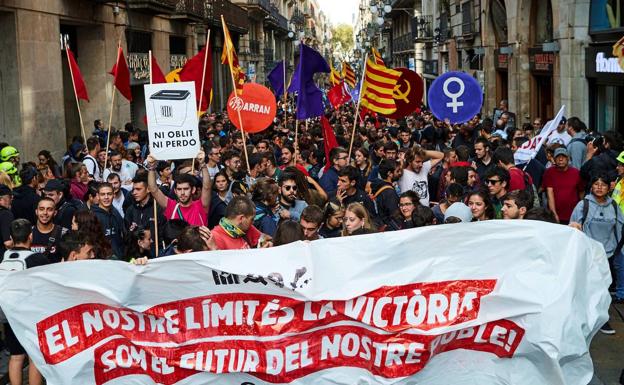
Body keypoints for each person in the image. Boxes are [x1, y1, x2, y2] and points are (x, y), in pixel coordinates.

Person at [570, 174, 624, 335]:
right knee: (586, 286)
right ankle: (583, 317)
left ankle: (602, 319)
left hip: (607, 254)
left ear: (609, 187)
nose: (599, 187)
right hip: (587, 253)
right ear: (591, 187)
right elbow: (573, 226)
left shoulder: (614, 206)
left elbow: (620, 228)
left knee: (603, 287)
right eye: (596, 184)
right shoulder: (583, 205)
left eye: (603, 184)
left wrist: (618, 251)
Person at [1, 219, 48, 385]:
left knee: (16, 356)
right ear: (30, 236)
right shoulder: (37, 259)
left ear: (12, 238)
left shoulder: (3, 257)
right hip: (31, 316)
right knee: (35, 357)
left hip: (9, 315)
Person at [147, 155, 212, 227]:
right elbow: (153, 189)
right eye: (179, 189)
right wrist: (151, 167)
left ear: (193, 190)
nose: (182, 193)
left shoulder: (200, 206)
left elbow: (207, 187)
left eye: (186, 189)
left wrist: (202, 164)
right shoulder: (171, 206)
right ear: (175, 191)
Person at [542, 147, 584, 224]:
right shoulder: (549, 172)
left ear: (568, 159)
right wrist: (554, 214)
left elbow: (581, 193)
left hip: (573, 214)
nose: (561, 159)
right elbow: (549, 194)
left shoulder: (576, 173)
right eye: (558, 157)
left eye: (563, 157)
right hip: (556, 214)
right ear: (554, 159)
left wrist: (581, 211)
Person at [125, 172, 164, 251]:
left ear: (148, 189)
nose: (134, 193)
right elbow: (126, 233)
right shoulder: (131, 210)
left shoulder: (158, 209)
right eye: (133, 189)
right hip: (135, 254)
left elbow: (162, 234)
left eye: (138, 189)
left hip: (154, 253)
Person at [90, 182, 125, 259]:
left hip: (119, 259)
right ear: (97, 196)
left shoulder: (116, 213)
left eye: (109, 194)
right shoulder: (92, 216)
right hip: (102, 262)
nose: (106, 197)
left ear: (114, 195)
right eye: (103, 194)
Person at [30, 197, 67, 263]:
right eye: (41, 209)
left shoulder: (64, 233)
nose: (45, 213)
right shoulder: (28, 232)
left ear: (55, 213)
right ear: (36, 212)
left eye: (49, 209)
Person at [370, 159, 401, 229]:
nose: (400, 173)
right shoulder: (389, 192)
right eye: (397, 171)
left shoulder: (377, 186)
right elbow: (394, 215)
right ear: (389, 173)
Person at [0, 184, 14, 256]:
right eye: (10, 197)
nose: (12, 199)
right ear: (1, 199)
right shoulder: (5, 214)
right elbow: (8, 243)